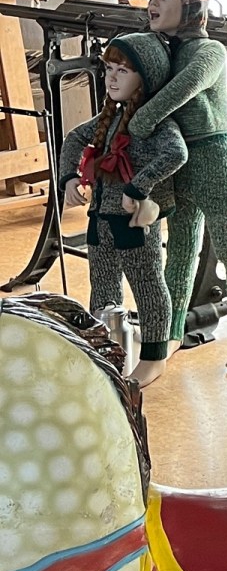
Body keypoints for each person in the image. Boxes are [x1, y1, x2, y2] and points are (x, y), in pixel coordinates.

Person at [124, 0, 227, 371]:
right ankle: (172, 330)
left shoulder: (210, 50)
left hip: (214, 161)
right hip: (178, 163)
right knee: (180, 252)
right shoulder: (164, 50)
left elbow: (185, 86)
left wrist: (141, 120)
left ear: (190, 5)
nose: (154, 3)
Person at [59, 31, 186, 387]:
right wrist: (69, 178)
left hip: (133, 223)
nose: (112, 78)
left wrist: (137, 186)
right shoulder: (109, 119)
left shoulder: (153, 122)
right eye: (108, 69)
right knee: (102, 285)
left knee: (147, 285)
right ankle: (104, 349)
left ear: (144, 78)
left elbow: (176, 153)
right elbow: (74, 138)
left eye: (123, 71)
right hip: (99, 218)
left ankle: (154, 356)